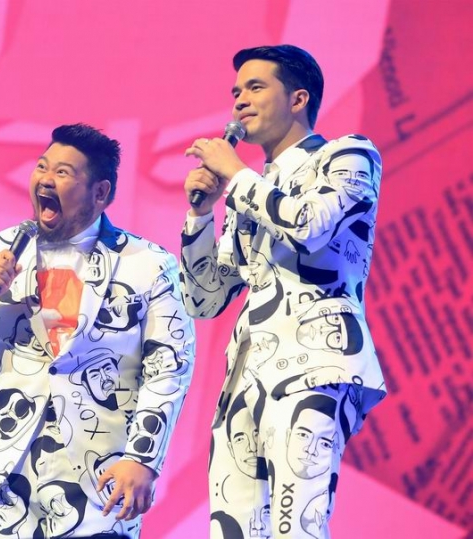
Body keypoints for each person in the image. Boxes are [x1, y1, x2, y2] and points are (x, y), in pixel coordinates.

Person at [0, 123, 195, 538]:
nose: (45, 179)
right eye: (42, 167)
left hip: (96, 481)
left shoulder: (148, 265)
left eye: (63, 172)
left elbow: (168, 369)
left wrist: (143, 458)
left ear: (100, 192)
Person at [179, 45, 386, 538]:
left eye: (255, 87)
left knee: (299, 528)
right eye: (236, 91)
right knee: (234, 530)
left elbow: (310, 227)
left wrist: (236, 175)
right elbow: (204, 299)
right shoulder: (251, 190)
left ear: (298, 99)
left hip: (314, 363)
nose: (239, 101)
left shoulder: (348, 155)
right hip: (244, 377)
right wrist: (201, 216)